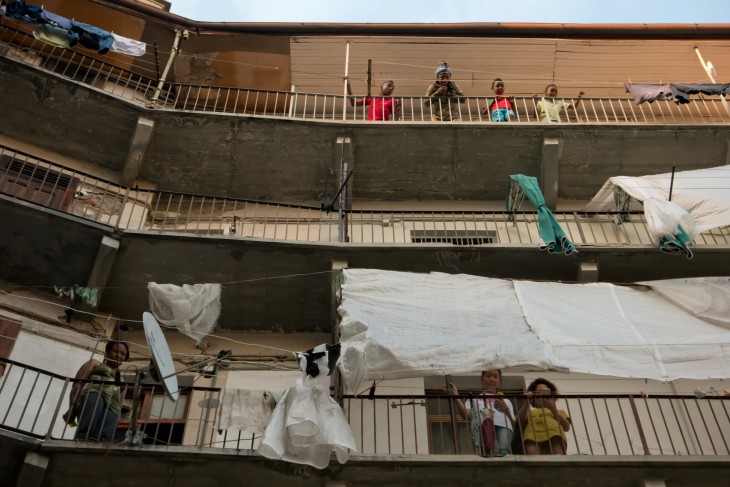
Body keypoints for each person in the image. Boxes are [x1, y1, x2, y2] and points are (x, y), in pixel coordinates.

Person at [62, 340, 129, 441]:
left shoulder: (122, 380)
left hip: (113, 407)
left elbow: (120, 403)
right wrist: (72, 408)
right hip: (94, 395)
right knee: (86, 432)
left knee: (103, 438)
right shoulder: (95, 363)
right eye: (115, 351)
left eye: (123, 354)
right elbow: (77, 385)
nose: (119, 355)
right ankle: (81, 440)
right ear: (107, 351)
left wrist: (117, 418)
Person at [450, 370, 516, 456]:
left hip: (504, 426)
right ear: (482, 379)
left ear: (499, 381)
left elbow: (513, 423)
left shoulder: (506, 400)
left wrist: (506, 409)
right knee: (489, 452)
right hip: (484, 427)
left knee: (503, 449)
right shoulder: (474, 399)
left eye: (495, 377)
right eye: (488, 376)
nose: (491, 379)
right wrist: (455, 395)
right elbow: (466, 415)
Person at [518, 378, 571, 455]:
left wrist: (553, 409)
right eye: (538, 392)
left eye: (545, 392)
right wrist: (527, 403)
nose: (542, 394)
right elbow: (519, 421)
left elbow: (566, 427)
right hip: (532, 436)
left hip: (554, 434)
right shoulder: (530, 412)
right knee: (533, 457)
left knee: (557, 453)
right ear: (534, 396)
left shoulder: (559, 411)